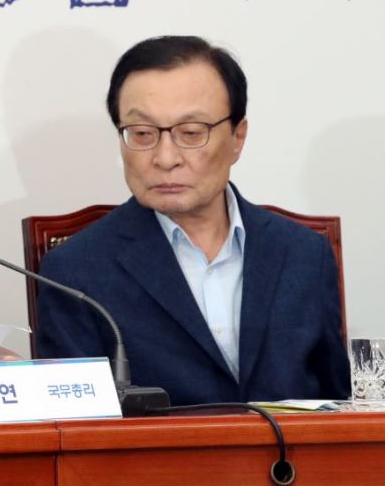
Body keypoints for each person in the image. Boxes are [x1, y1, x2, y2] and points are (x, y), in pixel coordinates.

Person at [36, 35, 349, 404]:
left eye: (190, 133)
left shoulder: (303, 253)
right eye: (142, 134)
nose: (166, 157)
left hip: (290, 463)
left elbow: (339, 407)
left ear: (237, 138)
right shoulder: (75, 272)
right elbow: (73, 433)